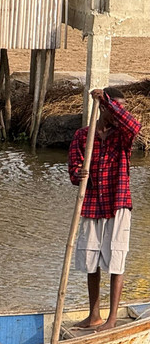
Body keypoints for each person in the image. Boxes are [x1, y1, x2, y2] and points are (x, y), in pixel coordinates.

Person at [68, 87, 142, 331]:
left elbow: (134, 125)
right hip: (91, 205)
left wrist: (108, 101)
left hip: (117, 204)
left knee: (116, 261)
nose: (119, 112)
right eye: (114, 108)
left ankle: (111, 319)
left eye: (120, 108)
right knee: (91, 262)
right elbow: (73, 171)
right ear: (101, 110)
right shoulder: (83, 135)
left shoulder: (123, 134)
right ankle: (94, 316)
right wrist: (81, 174)